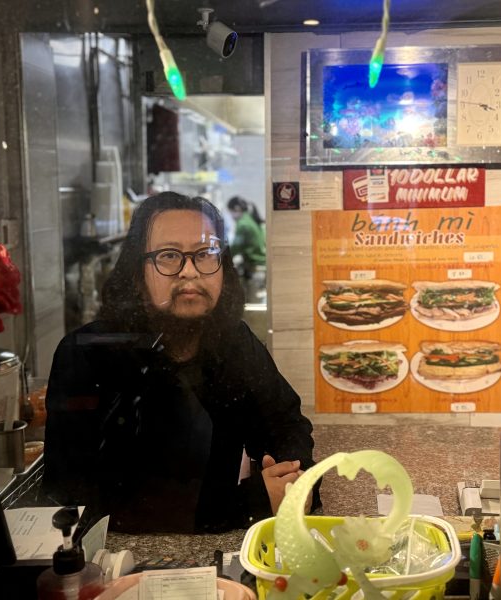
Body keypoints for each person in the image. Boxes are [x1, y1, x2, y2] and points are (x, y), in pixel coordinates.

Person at [42, 192, 317, 534]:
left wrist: (298, 481)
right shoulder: (89, 354)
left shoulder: (233, 341)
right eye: (169, 256)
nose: (190, 271)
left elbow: (286, 424)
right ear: (137, 275)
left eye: (205, 254)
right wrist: (254, 501)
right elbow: (77, 497)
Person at [227, 196, 266, 302]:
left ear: (236, 209)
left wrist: (221, 258)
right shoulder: (252, 219)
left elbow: (235, 247)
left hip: (255, 270)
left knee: (253, 303)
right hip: (261, 268)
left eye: (231, 212)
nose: (231, 216)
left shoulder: (243, 224)